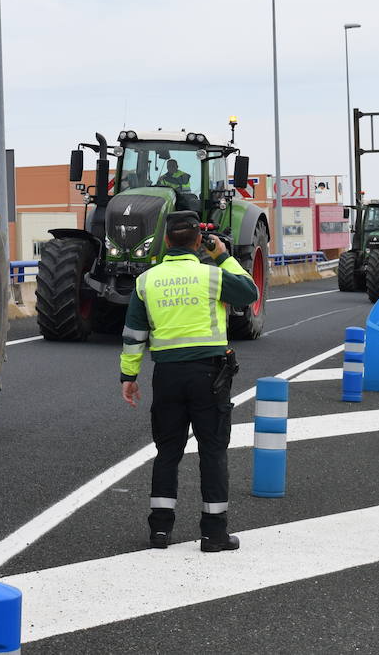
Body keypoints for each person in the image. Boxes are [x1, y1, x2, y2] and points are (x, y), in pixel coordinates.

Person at [119, 210, 259, 553]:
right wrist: (223, 256)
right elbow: (250, 292)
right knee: (212, 451)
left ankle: (161, 532)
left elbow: (134, 335)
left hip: (166, 376)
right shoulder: (211, 275)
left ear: (166, 240)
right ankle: (214, 534)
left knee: (167, 453)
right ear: (199, 241)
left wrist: (129, 376)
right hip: (209, 375)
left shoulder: (146, 281)